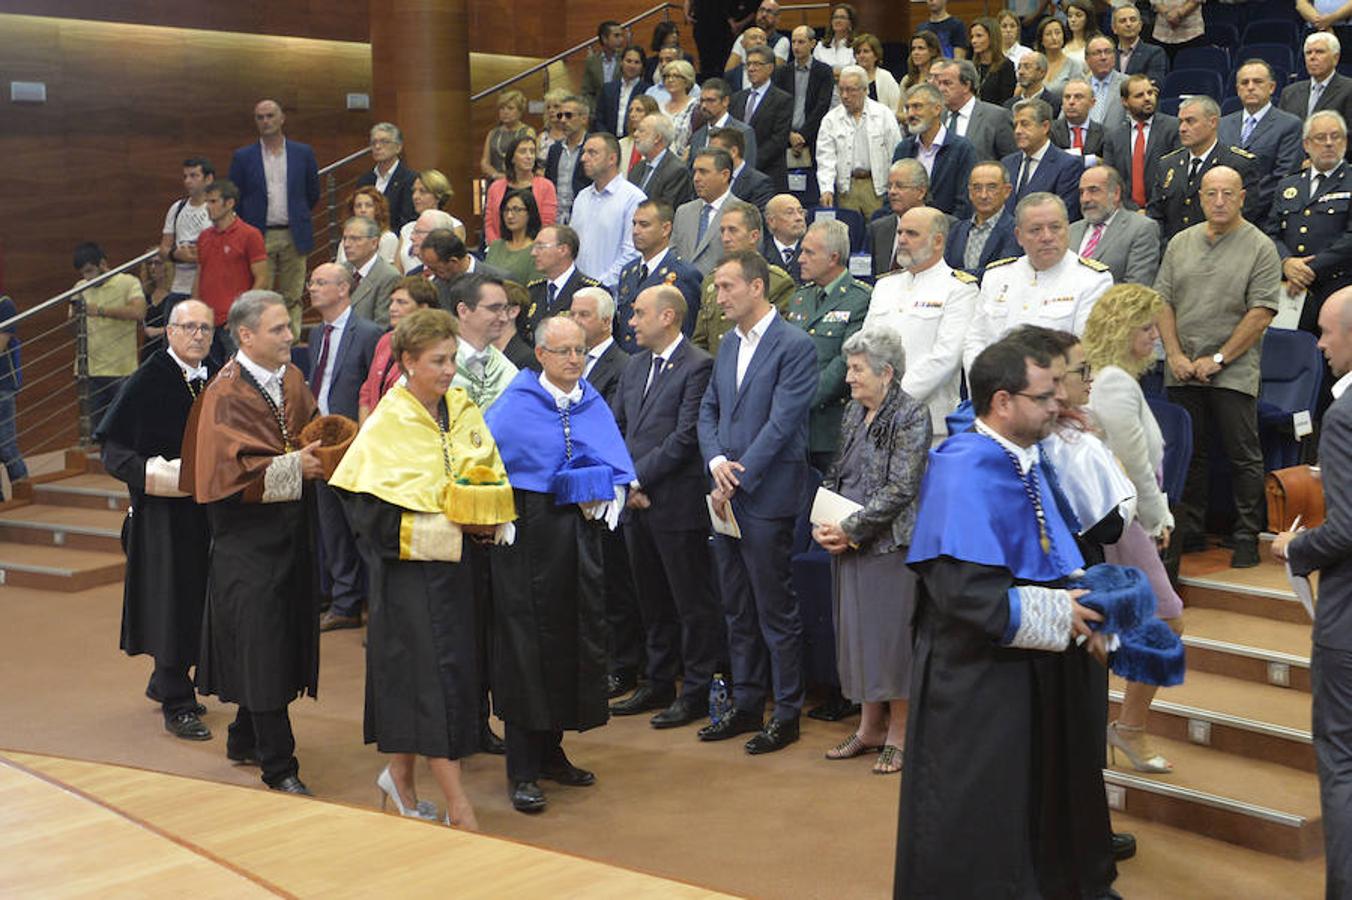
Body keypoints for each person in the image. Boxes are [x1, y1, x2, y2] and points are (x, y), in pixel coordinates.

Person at [896, 336, 1116, 898]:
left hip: (1033, 673)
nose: (1058, 404)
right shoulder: (964, 469)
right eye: (1045, 395)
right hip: (977, 678)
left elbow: (1054, 551)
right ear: (1002, 401)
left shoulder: (1029, 455)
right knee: (986, 811)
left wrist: (1091, 603)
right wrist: (1063, 613)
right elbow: (964, 594)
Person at [331, 308, 516, 830]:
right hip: (409, 577)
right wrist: (447, 529)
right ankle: (460, 804)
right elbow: (367, 515)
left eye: (453, 358)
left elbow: (483, 474)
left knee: (437, 679)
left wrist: (488, 518)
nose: (449, 370)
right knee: (435, 684)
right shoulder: (388, 422)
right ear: (408, 361)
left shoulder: (460, 407)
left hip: (461, 575)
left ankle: (400, 779)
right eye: (437, 360)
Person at [483, 315, 636, 813]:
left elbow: (614, 465)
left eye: (581, 351)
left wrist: (607, 491)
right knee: (526, 650)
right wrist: (500, 512)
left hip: (577, 541)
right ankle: (522, 767)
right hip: (525, 541)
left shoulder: (590, 401)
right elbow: (488, 466)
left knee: (572, 641)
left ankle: (551, 752)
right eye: (564, 351)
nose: (575, 360)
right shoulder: (515, 404)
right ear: (542, 355)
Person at [180, 291, 323, 794]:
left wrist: (323, 444)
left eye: (289, 327)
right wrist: (293, 467)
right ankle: (279, 765)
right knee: (262, 642)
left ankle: (244, 735)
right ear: (246, 336)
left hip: (291, 534)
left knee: (277, 637)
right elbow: (226, 477)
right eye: (279, 329)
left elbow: (306, 428)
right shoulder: (224, 394)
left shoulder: (290, 377)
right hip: (246, 541)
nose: (291, 336)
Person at [697, 250, 817, 754]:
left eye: (726, 287)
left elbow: (783, 423)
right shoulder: (727, 344)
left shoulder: (795, 345)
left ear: (756, 287)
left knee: (774, 608)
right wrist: (715, 463)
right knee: (736, 606)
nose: (718, 297)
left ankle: (786, 711)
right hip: (726, 493)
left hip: (765, 494)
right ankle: (746, 703)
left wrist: (736, 477)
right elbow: (708, 410)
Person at [96, 299, 217, 742]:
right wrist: (159, 476)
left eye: (205, 328)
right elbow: (113, 450)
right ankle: (176, 702)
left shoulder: (218, 374)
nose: (198, 335)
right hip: (164, 515)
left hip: (207, 510)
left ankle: (166, 678)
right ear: (169, 332)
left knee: (200, 597)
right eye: (188, 328)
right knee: (172, 601)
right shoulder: (148, 380)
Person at [814, 327, 930, 775]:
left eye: (857, 369)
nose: (848, 378)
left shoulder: (911, 414)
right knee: (857, 638)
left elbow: (902, 488)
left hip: (888, 544)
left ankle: (898, 733)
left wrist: (851, 528)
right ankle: (869, 728)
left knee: (892, 642)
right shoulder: (851, 414)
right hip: (847, 541)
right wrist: (824, 523)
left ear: (886, 372)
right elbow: (836, 474)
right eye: (849, 368)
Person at [609, 284, 724, 725]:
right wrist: (626, 481)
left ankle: (694, 690)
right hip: (636, 505)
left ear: (668, 317)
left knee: (690, 602)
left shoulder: (699, 366)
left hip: (676, 504)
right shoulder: (635, 367)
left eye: (639, 313)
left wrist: (637, 477)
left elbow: (685, 436)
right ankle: (657, 682)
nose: (631, 322)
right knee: (650, 600)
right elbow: (617, 427)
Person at [1083, 284, 1187, 774]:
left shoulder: (1116, 378)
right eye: (1146, 329)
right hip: (1129, 520)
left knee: (1135, 623)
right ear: (1123, 331)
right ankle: (1129, 728)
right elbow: (1134, 465)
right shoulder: (1115, 384)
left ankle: (1123, 727)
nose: (1155, 338)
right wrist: (1157, 514)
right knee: (1166, 620)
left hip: (1132, 515)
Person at [1156, 166, 1280, 568]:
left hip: (1234, 369)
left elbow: (1261, 312)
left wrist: (1220, 359)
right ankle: (1189, 530)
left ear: (1243, 197)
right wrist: (1174, 354)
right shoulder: (1180, 242)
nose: (1220, 201)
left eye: (1228, 193)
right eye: (1212, 193)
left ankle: (1246, 535)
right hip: (1183, 365)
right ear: (1201, 197)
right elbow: (1162, 303)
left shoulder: (1260, 246)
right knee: (1188, 454)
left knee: (1243, 454)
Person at [1272, 286, 1352, 899]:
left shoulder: (1346, 415)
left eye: (1327, 332)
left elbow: (1346, 531)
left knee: (1344, 764)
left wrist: (1294, 549)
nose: (1318, 345)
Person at [307, 263, 384, 633]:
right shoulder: (315, 334)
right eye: (312, 282)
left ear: (343, 289)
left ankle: (373, 602)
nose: (312, 288)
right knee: (331, 527)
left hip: (355, 444)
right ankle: (344, 601)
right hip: (321, 443)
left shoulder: (368, 333)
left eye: (321, 283)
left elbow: (375, 388)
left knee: (360, 527)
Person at [964, 192, 1112, 371]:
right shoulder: (997, 276)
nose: (1047, 237)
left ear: (1068, 229)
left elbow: (1088, 351)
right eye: (1036, 230)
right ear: (1018, 236)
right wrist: (986, 388)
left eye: (1055, 227)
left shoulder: (1092, 279)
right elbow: (975, 340)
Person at [867, 206, 978, 437]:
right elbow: (866, 346)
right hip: (875, 414)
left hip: (928, 421)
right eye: (900, 233)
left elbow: (946, 357)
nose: (902, 240)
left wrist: (893, 400)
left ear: (938, 241)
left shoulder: (959, 289)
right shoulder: (884, 286)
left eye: (912, 234)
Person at [228, 99, 320, 336]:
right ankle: (263, 339)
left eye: (270, 116)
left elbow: (312, 193)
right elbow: (235, 195)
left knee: (293, 293)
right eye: (260, 117)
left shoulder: (303, 153)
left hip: (294, 231)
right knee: (260, 293)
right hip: (259, 233)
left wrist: (298, 215)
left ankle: (292, 339)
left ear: (282, 119)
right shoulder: (243, 156)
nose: (266, 121)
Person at [785, 220, 871, 471]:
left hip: (830, 427)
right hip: (793, 428)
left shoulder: (860, 298)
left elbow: (846, 361)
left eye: (809, 252)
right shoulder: (800, 297)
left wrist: (799, 400)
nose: (800, 259)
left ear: (833, 258)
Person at [1265, 111, 1352, 341]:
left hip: (1338, 287)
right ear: (1306, 144)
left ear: (1345, 142)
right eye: (1320, 137)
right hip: (1292, 289)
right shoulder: (1288, 184)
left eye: (1336, 137)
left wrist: (1309, 268)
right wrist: (1286, 262)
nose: (1329, 143)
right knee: (1289, 354)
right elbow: (1271, 233)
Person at [1149, 94, 1262, 249]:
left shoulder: (1238, 163)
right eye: (1180, 122)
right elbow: (1156, 214)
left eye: (1190, 121)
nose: (1182, 128)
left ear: (1213, 122)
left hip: (1221, 253)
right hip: (1171, 252)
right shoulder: (1168, 164)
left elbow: (1246, 216)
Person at [691, 200, 797, 350]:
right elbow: (700, 342)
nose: (725, 238)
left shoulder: (777, 282)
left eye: (733, 230)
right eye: (722, 231)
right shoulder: (711, 282)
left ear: (754, 236)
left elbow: (778, 340)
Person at [1218, 61, 1304, 226]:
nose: (1250, 87)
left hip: (1267, 218)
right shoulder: (1223, 124)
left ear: (1271, 87)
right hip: (1222, 214)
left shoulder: (1289, 124)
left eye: (1257, 82)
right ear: (1237, 89)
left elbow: (1284, 176)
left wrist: (1241, 206)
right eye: (1244, 83)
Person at [72, 242, 146, 433]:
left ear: (103, 264)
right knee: (95, 431)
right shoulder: (80, 287)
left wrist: (102, 311)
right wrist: (75, 318)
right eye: (83, 273)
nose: (86, 278)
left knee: (125, 426)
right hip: (90, 370)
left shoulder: (128, 282)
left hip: (121, 369)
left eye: (89, 271)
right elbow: (71, 326)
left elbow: (139, 312)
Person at [193, 179, 269, 362]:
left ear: (229, 203)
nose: (207, 207)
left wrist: (242, 316)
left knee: (237, 379)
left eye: (213, 202)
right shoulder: (204, 237)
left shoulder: (250, 235)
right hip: (207, 322)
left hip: (233, 323)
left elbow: (263, 279)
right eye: (206, 202)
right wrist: (196, 311)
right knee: (209, 380)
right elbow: (199, 275)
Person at [615, 200, 704, 352]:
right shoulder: (628, 271)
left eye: (644, 225)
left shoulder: (683, 274)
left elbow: (687, 331)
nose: (636, 231)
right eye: (634, 224)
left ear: (665, 229)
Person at [816, 65, 903, 217]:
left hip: (877, 188)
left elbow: (895, 154)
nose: (844, 95)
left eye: (850, 90)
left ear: (865, 89)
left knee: (878, 232)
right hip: (846, 188)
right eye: (841, 89)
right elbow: (825, 159)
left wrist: (894, 187)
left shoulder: (884, 115)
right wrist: (826, 189)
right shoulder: (831, 119)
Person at [358, 276, 438, 422]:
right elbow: (367, 391)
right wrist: (365, 430)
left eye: (401, 302)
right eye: (392, 301)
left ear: (423, 309)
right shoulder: (386, 340)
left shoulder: (433, 348)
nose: (392, 308)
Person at [1069, 165, 1161, 286]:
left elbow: (1136, 289)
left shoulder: (1141, 228)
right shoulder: (1071, 230)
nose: (1085, 199)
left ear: (1116, 193)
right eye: (1081, 192)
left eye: (1093, 190)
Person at [1102, 74, 1180, 211]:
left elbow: (1176, 175)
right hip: (1126, 213)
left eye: (1150, 93)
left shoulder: (1173, 128)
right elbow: (1112, 181)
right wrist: (1133, 210)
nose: (1147, 98)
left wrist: (1150, 211)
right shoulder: (1113, 137)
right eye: (1139, 95)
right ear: (1125, 102)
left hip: (1164, 210)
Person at [1004, 98, 1084, 219]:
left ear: (1045, 126)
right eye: (1015, 125)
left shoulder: (1067, 165)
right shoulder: (1007, 163)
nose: (1018, 131)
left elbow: (1066, 216)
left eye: (1025, 124)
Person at [522, 225, 602, 344]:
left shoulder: (591, 292)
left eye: (540, 247)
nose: (533, 253)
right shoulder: (533, 291)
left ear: (563, 250)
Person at [945, 161, 1022, 281]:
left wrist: (956, 275)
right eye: (977, 188)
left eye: (992, 187)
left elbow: (1002, 273)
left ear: (1007, 191)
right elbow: (944, 270)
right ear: (970, 192)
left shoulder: (1016, 230)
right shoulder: (957, 229)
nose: (983, 195)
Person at [158, 157, 214, 319]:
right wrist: (176, 255)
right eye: (185, 176)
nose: (188, 181)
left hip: (208, 289)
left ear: (208, 179)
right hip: (178, 288)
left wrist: (199, 254)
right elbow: (163, 249)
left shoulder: (217, 209)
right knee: (173, 341)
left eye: (194, 176)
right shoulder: (177, 208)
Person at [730, 47, 792, 189]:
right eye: (748, 64)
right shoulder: (737, 98)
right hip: (738, 175)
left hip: (768, 174)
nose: (751, 69)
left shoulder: (782, 99)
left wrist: (748, 163)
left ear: (770, 68)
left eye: (757, 64)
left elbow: (778, 140)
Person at [773, 26, 834, 166]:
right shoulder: (782, 72)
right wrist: (790, 135)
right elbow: (777, 107)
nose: (796, 46)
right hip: (785, 138)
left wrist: (802, 136)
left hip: (814, 137)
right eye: (793, 42)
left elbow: (822, 106)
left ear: (812, 44)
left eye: (801, 42)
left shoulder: (824, 72)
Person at [933, 59, 1017, 161]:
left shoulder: (997, 117)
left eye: (947, 83)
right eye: (939, 83)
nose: (941, 89)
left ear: (966, 86)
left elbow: (1012, 160)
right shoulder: (935, 116)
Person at [483, 135, 559, 246]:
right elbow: (489, 222)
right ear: (512, 158)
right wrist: (496, 247)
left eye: (532, 152)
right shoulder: (495, 187)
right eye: (523, 152)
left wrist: (531, 248)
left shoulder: (546, 186)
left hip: (534, 249)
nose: (529, 156)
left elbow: (547, 223)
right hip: (500, 248)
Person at [673, 147, 738, 276]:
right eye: (695, 172)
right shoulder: (683, 212)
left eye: (703, 172)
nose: (696, 178)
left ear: (725, 175)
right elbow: (673, 254)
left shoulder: (741, 213)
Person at [868, 160, 933, 277]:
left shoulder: (943, 225)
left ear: (921, 192)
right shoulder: (878, 229)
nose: (892, 192)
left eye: (900, 186)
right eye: (889, 186)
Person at [1280, 33, 1352, 136]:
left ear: (1335, 58)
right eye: (1308, 53)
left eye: (1319, 52)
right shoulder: (1289, 92)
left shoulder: (1349, 89)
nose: (1312, 57)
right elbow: (1280, 131)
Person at [396, 171, 467, 273]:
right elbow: (398, 270)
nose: (415, 196)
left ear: (438, 196)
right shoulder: (407, 229)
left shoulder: (453, 225)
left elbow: (453, 264)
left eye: (422, 191)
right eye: (414, 191)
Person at [355, 122, 419, 233]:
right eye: (374, 142)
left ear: (398, 147)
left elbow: (408, 220)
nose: (377, 146)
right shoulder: (364, 180)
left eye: (384, 142)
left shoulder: (410, 179)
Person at [341, 216, 401, 327]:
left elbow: (381, 327)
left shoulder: (388, 276)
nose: (347, 245)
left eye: (355, 239)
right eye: (345, 238)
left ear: (374, 243)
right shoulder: (342, 271)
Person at [688, 78, 759, 165]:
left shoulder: (743, 132)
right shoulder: (697, 136)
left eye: (710, 100)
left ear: (725, 101)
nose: (704, 106)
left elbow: (747, 170)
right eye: (702, 100)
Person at [544, 95, 592, 224]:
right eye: (560, 116)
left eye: (569, 115)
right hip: (556, 218)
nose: (563, 120)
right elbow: (549, 183)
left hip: (584, 216)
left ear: (584, 119)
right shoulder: (555, 149)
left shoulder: (593, 147)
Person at [485, 189, 545, 288]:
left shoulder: (536, 250)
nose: (510, 216)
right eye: (506, 210)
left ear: (530, 213)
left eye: (517, 210)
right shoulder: (496, 245)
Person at [480, 89, 536, 182]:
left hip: (519, 182)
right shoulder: (493, 133)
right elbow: (485, 162)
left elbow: (531, 160)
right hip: (496, 182)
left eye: (510, 108)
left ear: (520, 111)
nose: (505, 112)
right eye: (502, 108)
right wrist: (497, 175)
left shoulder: (528, 132)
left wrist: (511, 178)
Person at [0, 293, 26, 489]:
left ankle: (23, 490)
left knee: (6, 445)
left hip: (3, 386)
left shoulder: (4, 304)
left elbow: (1, 344)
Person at [597, 47, 652, 139]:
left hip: (635, 140)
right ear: (621, 62)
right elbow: (599, 118)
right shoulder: (608, 88)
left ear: (642, 66)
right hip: (609, 140)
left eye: (637, 62)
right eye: (628, 61)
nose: (632, 65)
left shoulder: (648, 90)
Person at [337, 188, 399, 269]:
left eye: (368, 205)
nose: (363, 210)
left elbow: (385, 272)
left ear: (378, 210)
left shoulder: (388, 238)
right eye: (358, 206)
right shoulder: (345, 240)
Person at [1112, 4, 1166, 88]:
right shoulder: (1109, 54)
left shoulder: (1155, 53)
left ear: (1140, 25)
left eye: (1133, 20)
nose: (1128, 24)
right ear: (1114, 28)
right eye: (1123, 21)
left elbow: (1153, 85)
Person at [1052, 79, 1105, 162]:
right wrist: (1091, 160)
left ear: (1092, 103)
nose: (1071, 102)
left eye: (1078, 97)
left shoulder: (1105, 134)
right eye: (1067, 97)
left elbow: (1107, 164)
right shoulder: (1049, 131)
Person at [1083, 35, 1127, 130]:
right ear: (1087, 59)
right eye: (1097, 53)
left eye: (1107, 52)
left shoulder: (1128, 84)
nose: (1103, 57)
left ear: (1114, 57)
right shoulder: (1078, 86)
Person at [727, 1, 790, 67]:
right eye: (761, 10)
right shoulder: (743, 37)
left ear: (777, 18)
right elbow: (729, 71)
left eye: (769, 11)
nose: (764, 14)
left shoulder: (782, 41)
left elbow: (775, 72)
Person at [969, 18, 1015, 106]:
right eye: (972, 37)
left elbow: (1006, 101)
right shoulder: (971, 65)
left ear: (992, 37)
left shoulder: (1006, 66)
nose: (973, 41)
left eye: (979, 36)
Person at [1037, 17, 1087, 96]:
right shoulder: (1036, 63)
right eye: (1048, 34)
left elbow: (1080, 94)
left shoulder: (1073, 65)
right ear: (1041, 40)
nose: (1054, 38)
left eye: (1058, 33)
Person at [581, 21, 628, 107]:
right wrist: (594, 110)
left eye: (622, 35)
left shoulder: (626, 59)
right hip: (597, 111)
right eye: (616, 36)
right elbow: (587, 92)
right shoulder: (592, 61)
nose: (621, 39)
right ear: (604, 38)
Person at [761, 193, 806, 281]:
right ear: (771, 221)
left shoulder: (815, 251)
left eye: (801, 212)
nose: (799, 218)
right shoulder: (760, 254)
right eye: (790, 213)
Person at [853, 33, 901, 114]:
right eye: (858, 52)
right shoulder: (850, 76)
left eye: (866, 51)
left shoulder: (885, 76)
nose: (861, 55)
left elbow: (896, 108)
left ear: (876, 55)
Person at [1006, 51, 1062, 119]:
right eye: (1019, 67)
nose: (1020, 72)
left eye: (1027, 67)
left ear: (1041, 72)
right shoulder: (1009, 105)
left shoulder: (1054, 103)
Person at [1151, 0, 1205, 65]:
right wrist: (1167, 14)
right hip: (1161, 34)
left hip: (1191, 34)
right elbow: (1155, 2)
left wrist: (1179, 14)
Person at [619, 95, 662, 177]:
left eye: (639, 110)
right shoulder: (622, 144)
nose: (632, 114)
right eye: (630, 110)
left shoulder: (662, 142)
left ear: (651, 114)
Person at [814, 4, 858, 74]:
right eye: (835, 17)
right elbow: (815, 71)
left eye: (842, 17)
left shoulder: (857, 45)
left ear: (850, 22)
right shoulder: (820, 46)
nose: (838, 21)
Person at [1062, 0, 1099, 65]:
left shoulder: (1096, 42)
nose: (1073, 20)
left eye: (1078, 15)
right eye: (1070, 16)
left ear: (1088, 18)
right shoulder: (1063, 42)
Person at [537, 88, 571, 159]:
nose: (551, 110)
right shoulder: (542, 137)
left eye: (556, 106)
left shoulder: (574, 136)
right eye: (548, 107)